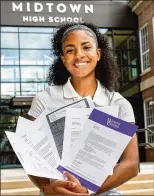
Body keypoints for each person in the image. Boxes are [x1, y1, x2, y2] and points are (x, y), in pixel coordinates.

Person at [27, 22, 139, 195]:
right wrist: (46, 188)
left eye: (86, 47)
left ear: (98, 54)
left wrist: (88, 190)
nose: (79, 55)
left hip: (103, 190)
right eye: (70, 50)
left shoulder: (118, 104)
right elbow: (31, 155)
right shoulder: (45, 99)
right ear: (63, 59)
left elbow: (131, 164)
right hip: (57, 191)